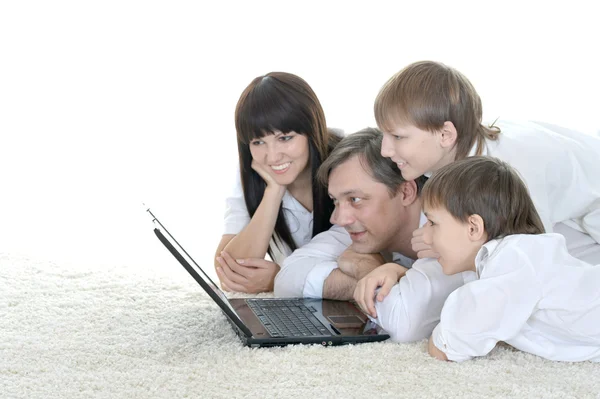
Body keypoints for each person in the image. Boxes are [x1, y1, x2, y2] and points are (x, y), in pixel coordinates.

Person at [374, 60, 600, 264]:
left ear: (445, 135)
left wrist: (444, 244)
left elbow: (532, 263)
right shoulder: (445, 159)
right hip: (573, 214)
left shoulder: (509, 172)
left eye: (398, 136)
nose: (385, 150)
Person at [274, 128, 471, 342]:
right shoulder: (361, 228)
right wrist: (368, 271)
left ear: (406, 192)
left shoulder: (451, 235)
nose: (339, 218)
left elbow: (403, 324)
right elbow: (287, 279)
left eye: (355, 199)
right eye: (335, 201)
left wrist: (381, 274)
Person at [421, 156, 600, 362]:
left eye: (432, 223)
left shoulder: (514, 257)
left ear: (473, 228)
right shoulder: (510, 263)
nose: (425, 237)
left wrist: (441, 341)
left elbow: (453, 340)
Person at [214, 72, 342, 293]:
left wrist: (280, 278)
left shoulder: (348, 162)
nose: (272, 157)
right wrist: (274, 191)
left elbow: (361, 269)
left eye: (285, 138)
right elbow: (229, 270)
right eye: (258, 141)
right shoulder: (256, 169)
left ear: (312, 130)